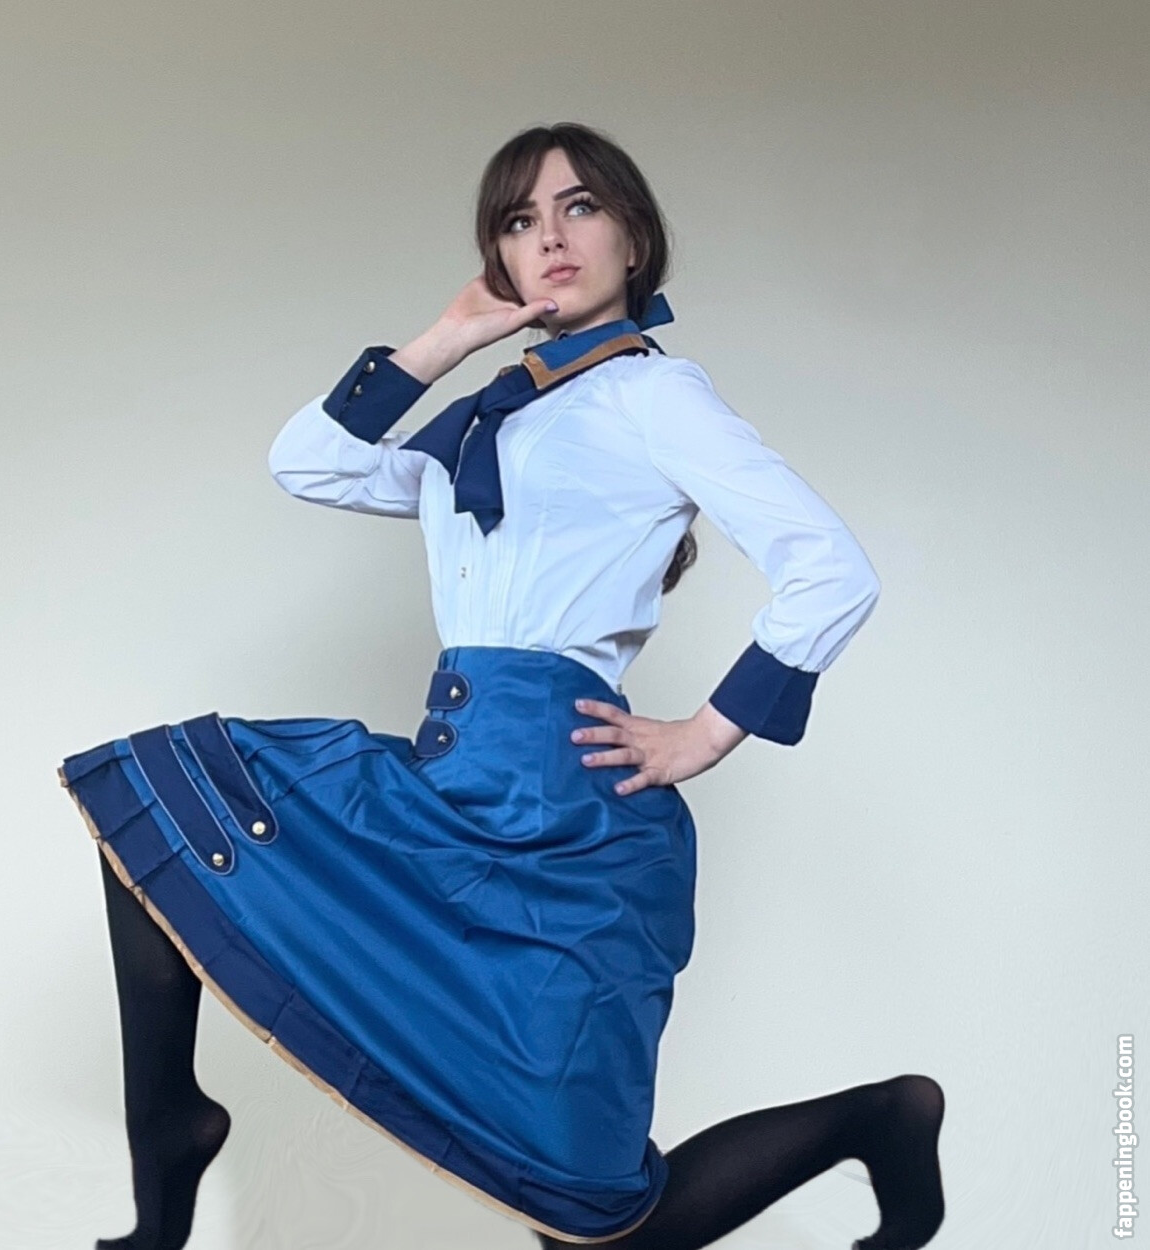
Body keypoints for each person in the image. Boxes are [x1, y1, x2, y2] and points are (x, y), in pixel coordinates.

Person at [58, 122, 946, 1250]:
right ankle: (170, 1131)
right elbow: (308, 462)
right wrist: (448, 337)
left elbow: (830, 567)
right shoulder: (491, 415)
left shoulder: (654, 396)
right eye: (520, 222)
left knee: (584, 1220)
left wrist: (703, 733)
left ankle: (879, 1118)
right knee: (159, 805)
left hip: (564, 816)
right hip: (450, 781)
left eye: (580, 208)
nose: (551, 238)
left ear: (634, 238)